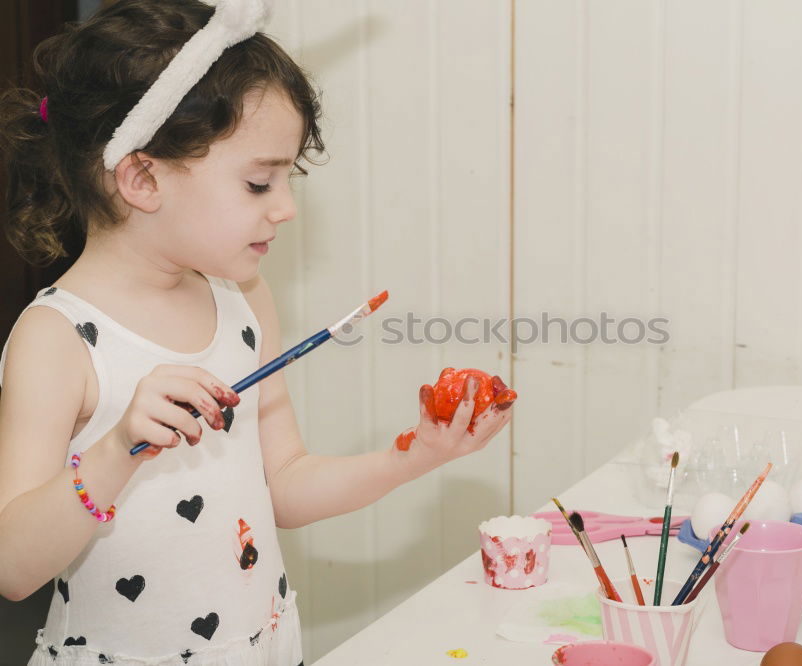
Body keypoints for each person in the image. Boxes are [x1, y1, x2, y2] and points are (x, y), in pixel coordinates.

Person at [0, 1, 515, 663]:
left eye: (288, 178)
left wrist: (415, 457)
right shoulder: (57, 338)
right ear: (140, 177)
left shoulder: (243, 299)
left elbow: (286, 484)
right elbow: (15, 569)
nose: (287, 207)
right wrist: (114, 449)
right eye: (258, 182)